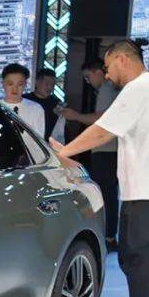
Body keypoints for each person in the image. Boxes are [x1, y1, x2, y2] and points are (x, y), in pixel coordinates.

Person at [51, 40, 149, 297]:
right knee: (147, 255)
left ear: (123, 59)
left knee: (136, 255)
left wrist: (63, 153)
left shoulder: (139, 90)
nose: (108, 75)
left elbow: (102, 130)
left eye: (109, 67)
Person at [62, 58, 120, 247]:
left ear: (98, 72)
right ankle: (109, 236)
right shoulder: (111, 89)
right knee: (109, 194)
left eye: (88, 77)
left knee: (104, 195)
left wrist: (75, 116)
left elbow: (100, 119)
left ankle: (107, 236)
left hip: (105, 150)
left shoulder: (106, 89)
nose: (88, 82)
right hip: (111, 150)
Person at [0, 63, 46, 135]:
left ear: (25, 85)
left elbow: (39, 137)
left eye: (20, 84)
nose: (15, 89)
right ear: (3, 84)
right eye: (10, 84)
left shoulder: (36, 108)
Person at [25, 67, 60, 140]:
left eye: (52, 85)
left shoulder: (56, 103)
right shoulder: (25, 100)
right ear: (37, 82)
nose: (50, 88)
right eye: (47, 84)